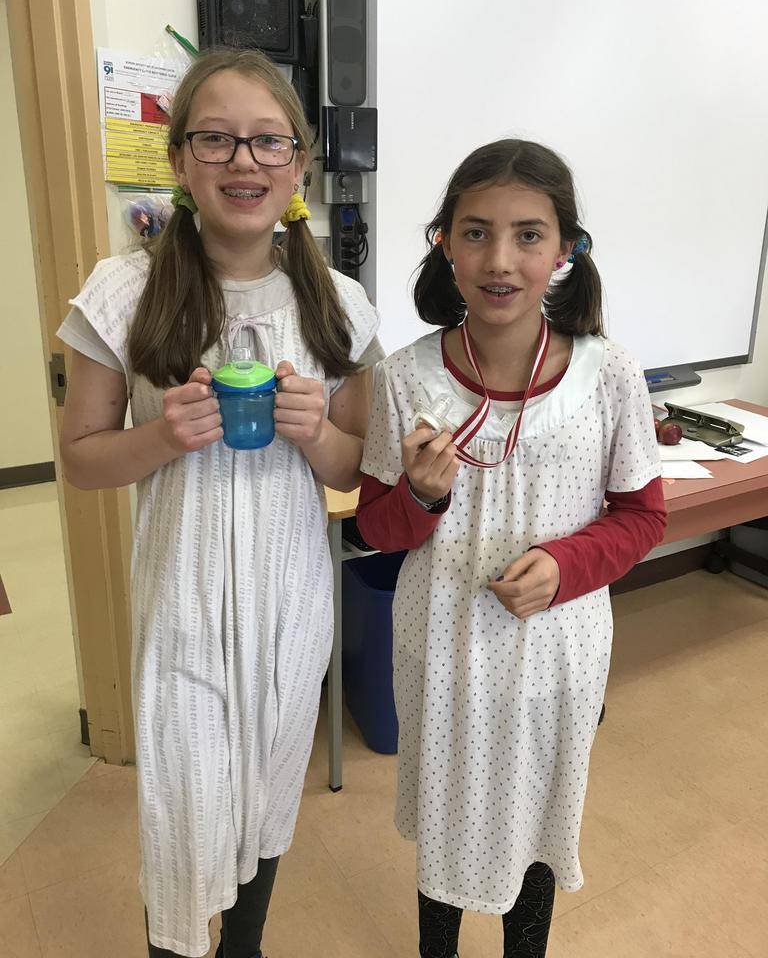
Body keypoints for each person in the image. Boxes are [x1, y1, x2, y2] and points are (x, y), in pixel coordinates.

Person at [57, 47, 383, 958]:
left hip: (291, 611)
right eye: (216, 138)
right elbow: (81, 460)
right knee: (184, 814)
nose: (244, 161)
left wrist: (315, 433)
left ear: (299, 164)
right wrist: (163, 435)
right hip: (185, 614)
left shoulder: (339, 305)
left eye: (269, 141)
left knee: (268, 799)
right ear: (179, 159)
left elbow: (358, 470)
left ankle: (246, 945)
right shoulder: (123, 291)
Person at [356, 139, 666, 958]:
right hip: (441, 647)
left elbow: (642, 517)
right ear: (445, 244)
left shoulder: (610, 375)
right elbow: (376, 528)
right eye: (475, 232)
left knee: (535, 817)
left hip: (557, 653)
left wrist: (566, 566)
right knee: (448, 818)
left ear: (566, 250)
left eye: (528, 235)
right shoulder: (404, 378)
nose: (499, 260)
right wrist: (422, 497)